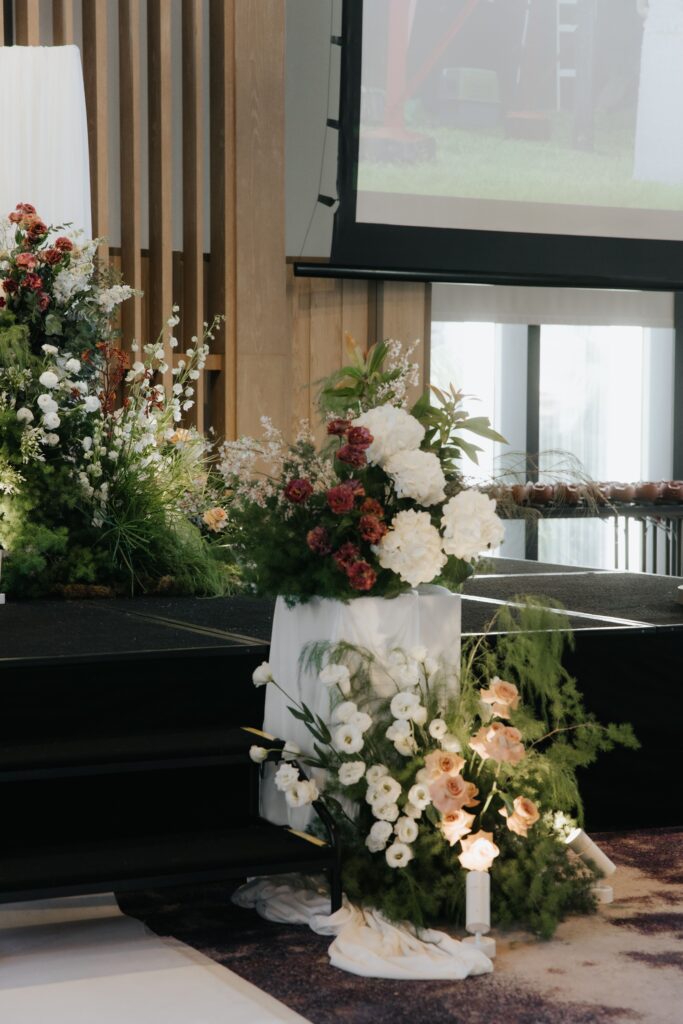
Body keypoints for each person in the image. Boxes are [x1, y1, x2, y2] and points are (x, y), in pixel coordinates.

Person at [633, 0, 683, 184]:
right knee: (655, 100)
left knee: (676, 99)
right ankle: (653, 166)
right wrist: (656, 17)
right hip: (655, 37)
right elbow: (640, 8)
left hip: (679, 35)